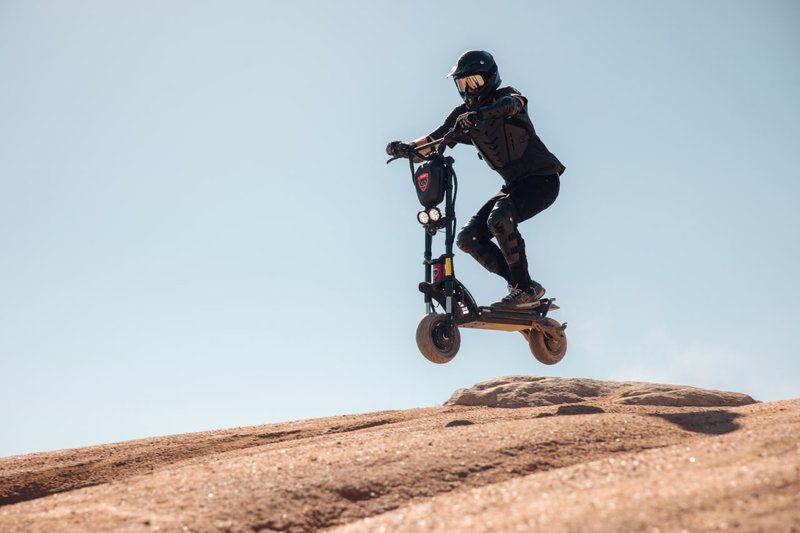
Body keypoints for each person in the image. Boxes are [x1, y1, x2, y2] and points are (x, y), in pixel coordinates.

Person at [386, 50, 565, 308]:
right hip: (514, 186)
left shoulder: (505, 97)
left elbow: (515, 103)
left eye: (474, 83)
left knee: (500, 219)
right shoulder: (462, 116)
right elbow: (434, 140)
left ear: (490, 79)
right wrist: (407, 148)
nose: (469, 90)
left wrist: (483, 114)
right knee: (468, 238)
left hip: (542, 180)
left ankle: (524, 290)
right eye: (462, 84)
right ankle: (522, 285)